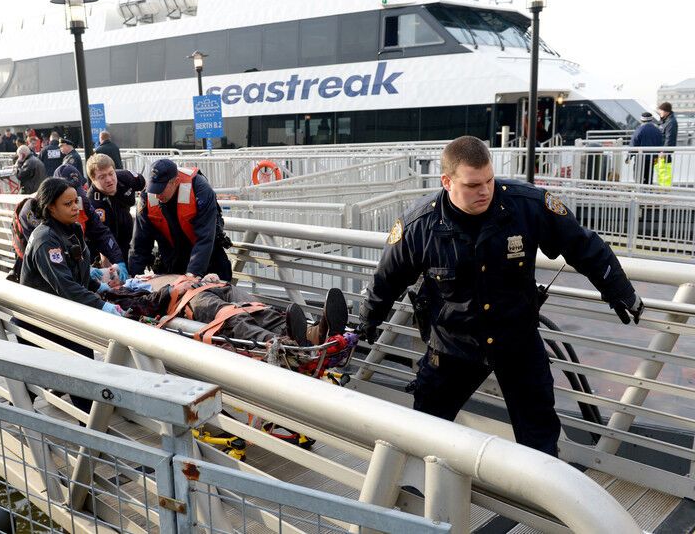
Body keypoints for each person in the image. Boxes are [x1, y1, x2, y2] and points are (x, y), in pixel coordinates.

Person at [357, 136, 644, 457]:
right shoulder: (419, 225)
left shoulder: (526, 205)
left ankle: (539, 489)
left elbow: (583, 245)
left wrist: (620, 291)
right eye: (473, 185)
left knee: (540, 442)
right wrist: (369, 320)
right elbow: (387, 277)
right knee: (426, 434)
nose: (485, 191)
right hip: (453, 346)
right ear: (447, 182)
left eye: (489, 180)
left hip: (517, 341)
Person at [18, 177, 124, 411]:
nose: (76, 207)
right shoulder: (46, 239)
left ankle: (90, 409)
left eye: (76, 201)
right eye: (68, 204)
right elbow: (65, 285)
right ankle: (90, 420)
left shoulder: (72, 229)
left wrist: (99, 287)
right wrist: (101, 306)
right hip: (42, 320)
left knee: (81, 363)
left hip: (63, 312)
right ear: (50, 208)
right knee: (80, 365)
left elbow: (77, 273)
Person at [109, 275, 348, 349]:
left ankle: (313, 332)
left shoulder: (150, 274)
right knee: (231, 316)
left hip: (212, 286)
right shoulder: (127, 290)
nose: (112, 272)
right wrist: (170, 291)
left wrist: (205, 276)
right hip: (187, 299)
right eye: (110, 275)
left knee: (258, 309)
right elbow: (142, 306)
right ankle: (278, 342)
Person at [129, 159, 232, 281]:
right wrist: (132, 278)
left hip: (207, 259)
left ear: (175, 182)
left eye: (161, 189)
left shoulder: (200, 189)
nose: (156, 195)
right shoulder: (147, 197)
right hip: (171, 261)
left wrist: (192, 274)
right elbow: (140, 242)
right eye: (154, 189)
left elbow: (205, 236)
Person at [86, 153, 145, 261]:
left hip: (127, 231)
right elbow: (102, 241)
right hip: (109, 241)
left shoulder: (125, 177)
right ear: (93, 180)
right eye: (102, 177)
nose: (109, 179)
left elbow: (146, 186)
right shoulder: (93, 203)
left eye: (111, 173)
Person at [629, 112, 663, 185]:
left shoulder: (639, 130)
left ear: (641, 120)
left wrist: (629, 156)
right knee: (649, 177)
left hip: (640, 157)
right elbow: (660, 143)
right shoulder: (657, 130)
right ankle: (648, 190)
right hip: (652, 157)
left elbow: (634, 144)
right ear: (651, 120)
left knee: (638, 176)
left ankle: (639, 190)